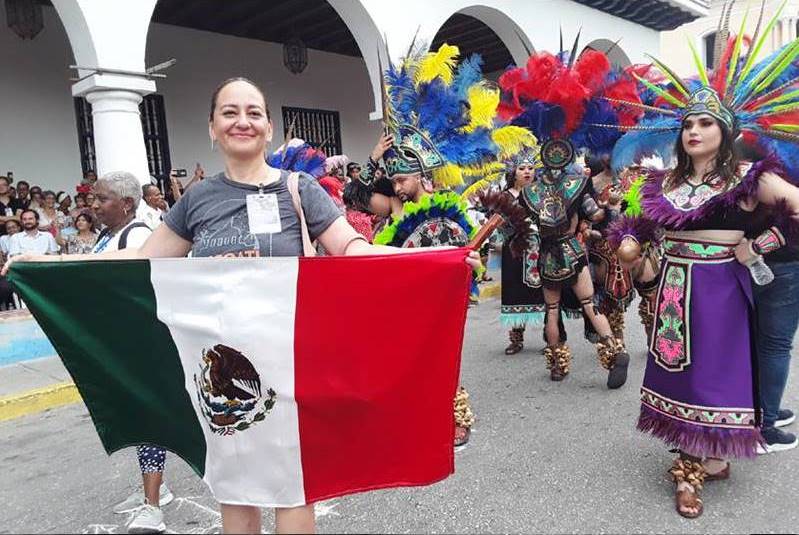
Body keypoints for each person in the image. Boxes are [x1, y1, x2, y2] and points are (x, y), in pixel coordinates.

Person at [3, 77, 480, 534]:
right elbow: (141, 261)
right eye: (229, 112)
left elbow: (352, 250)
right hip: (221, 371)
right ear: (213, 127)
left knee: (295, 488)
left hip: (293, 369)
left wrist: (437, 257)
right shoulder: (199, 199)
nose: (242, 121)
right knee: (236, 491)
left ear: (269, 127)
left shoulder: (299, 189)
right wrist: (40, 263)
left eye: (253, 112)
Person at [607, 13, 799, 517]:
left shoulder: (745, 175)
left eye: (705, 123)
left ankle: (690, 470)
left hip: (719, 289)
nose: (693, 130)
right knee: (677, 370)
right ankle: (707, 455)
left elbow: (795, 209)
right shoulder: (664, 182)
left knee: (710, 376)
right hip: (671, 288)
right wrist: (628, 243)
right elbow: (639, 225)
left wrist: (761, 245)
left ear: (726, 130)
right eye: (688, 124)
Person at [497, 44, 641, 387]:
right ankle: (612, 349)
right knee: (590, 304)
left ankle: (558, 365)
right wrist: (606, 210)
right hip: (574, 252)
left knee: (551, 310)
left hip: (547, 257)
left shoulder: (531, 190)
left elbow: (520, 225)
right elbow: (595, 212)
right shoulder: (578, 183)